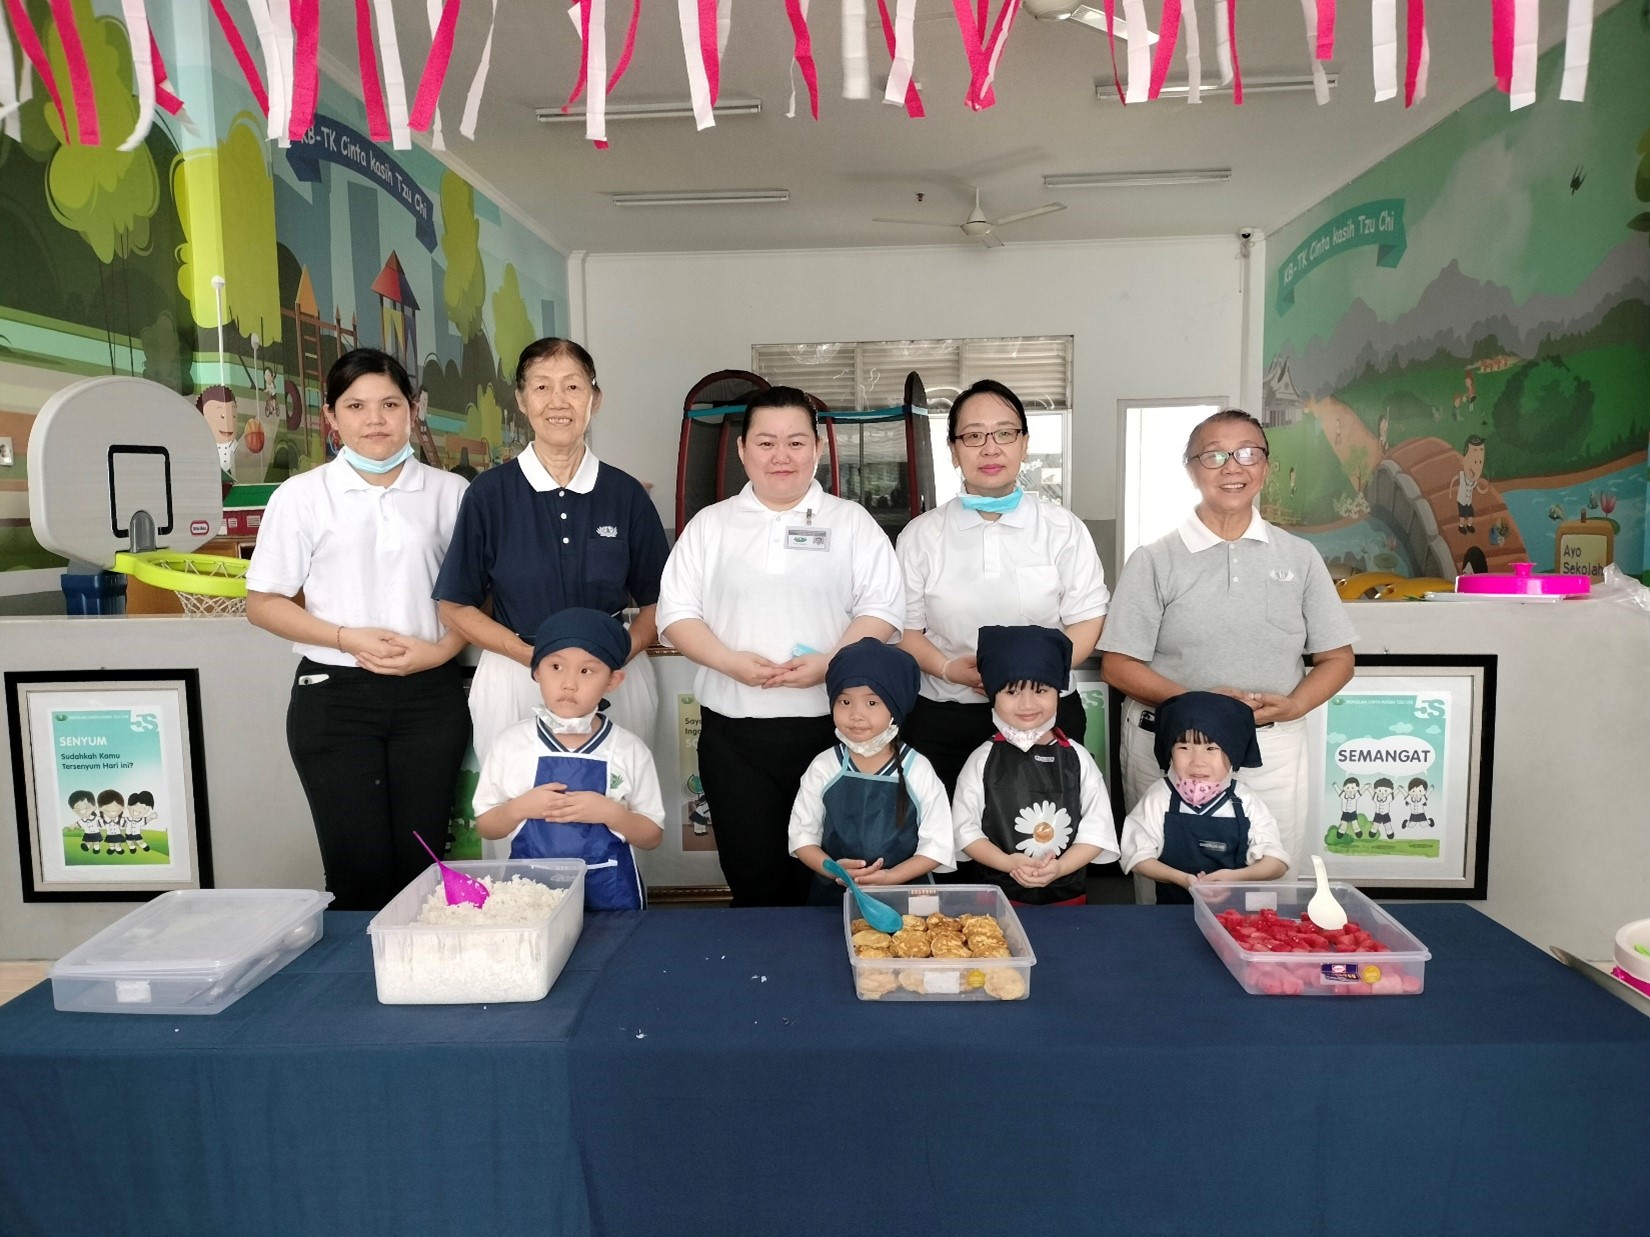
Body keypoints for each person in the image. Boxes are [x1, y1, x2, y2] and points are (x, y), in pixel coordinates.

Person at [657, 386, 905, 907]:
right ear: (743, 450)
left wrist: (833, 664)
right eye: (766, 443)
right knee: (754, 874)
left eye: (795, 442)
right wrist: (727, 662)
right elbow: (676, 615)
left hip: (834, 731)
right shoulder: (710, 526)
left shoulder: (851, 522)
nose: (781, 456)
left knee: (832, 873)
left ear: (816, 449)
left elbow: (882, 608)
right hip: (734, 736)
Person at [246, 348, 471, 911]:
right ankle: (359, 995)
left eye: (390, 403)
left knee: (423, 862)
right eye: (357, 405)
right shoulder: (302, 496)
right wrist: (347, 638)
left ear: (412, 410)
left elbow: (478, 598)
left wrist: (441, 652)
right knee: (357, 868)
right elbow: (264, 602)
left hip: (431, 697)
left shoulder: (453, 494)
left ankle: (424, 983)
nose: (375, 419)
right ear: (332, 416)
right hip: (335, 699)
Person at [1100, 408, 1355, 899]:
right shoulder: (1154, 559)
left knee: (1272, 887)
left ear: (1265, 466)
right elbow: (1118, 664)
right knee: (1164, 890)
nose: (1232, 467)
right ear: (1191, 469)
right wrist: (1203, 709)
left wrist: (1297, 704)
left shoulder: (1299, 557)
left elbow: (1337, 659)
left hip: (1271, 749)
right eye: (1214, 455)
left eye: (1247, 454)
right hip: (1170, 746)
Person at [433, 338, 669, 815]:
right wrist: (532, 657)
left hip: (612, 677)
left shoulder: (625, 495)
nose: (558, 401)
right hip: (514, 673)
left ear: (594, 399)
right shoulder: (489, 494)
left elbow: (659, 603)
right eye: (542, 386)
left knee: (617, 814)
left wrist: (615, 656)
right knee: (516, 820)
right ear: (521, 400)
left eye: (573, 386)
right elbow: (454, 604)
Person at [896, 379, 1109, 795]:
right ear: (954, 450)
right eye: (973, 436)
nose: (990, 448)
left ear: (1024, 444)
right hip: (947, 716)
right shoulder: (921, 536)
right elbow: (904, 629)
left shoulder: (1062, 529)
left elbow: (1087, 620)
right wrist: (946, 669)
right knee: (950, 849)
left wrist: (1031, 679)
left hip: (1045, 715)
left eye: (1005, 433)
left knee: (1044, 842)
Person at [471, 609, 664, 911]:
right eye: (556, 666)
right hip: (529, 899)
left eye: (587, 671)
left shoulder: (629, 749)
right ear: (536, 672)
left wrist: (610, 813)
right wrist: (521, 807)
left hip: (611, 898)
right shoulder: (511, 745)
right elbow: (487, 826)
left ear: (613, 680)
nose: (569, 683)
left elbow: (651, 836)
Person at [952, 625, 1118, 906]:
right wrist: (1007, 862)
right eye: (1012, 692)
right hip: (995, 903)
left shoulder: (1079, 759)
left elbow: (1097, 831)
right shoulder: (982, 760)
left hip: (1068, 901)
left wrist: (1061, 868)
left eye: (1041, 690)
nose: (1027, 704)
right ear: (993, 695)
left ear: (1058, 692)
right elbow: (964, 831)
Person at [788, 639, 954, 904]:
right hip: (834, 895)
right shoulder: (823, 766)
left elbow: (937, 845)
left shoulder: (918, 769)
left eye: (872, 703)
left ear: (896, 707)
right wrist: (832, 869)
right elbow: (802, 836)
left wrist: (892, 877)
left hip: (909, 896)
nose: (856, 715)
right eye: (844, 701)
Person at [1118, 691, 1287, 904]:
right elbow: (1136, 857)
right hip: (1172, 914)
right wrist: (1182, 879)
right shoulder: (1160, 797)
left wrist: (1235, 878)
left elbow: (1276, 863)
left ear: (1233, 751)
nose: (1198, 761)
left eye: (1211, 748)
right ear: (1169, 750)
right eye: (1184, 748)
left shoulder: (1245, 800)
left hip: (1234, 919)